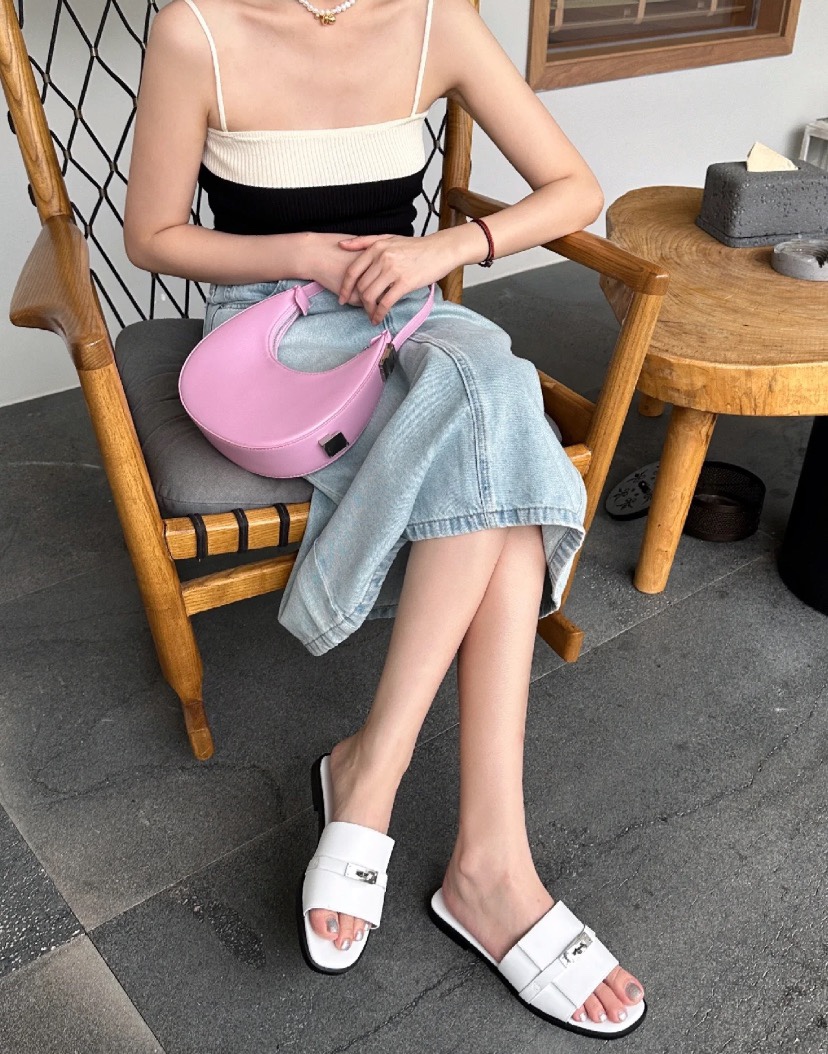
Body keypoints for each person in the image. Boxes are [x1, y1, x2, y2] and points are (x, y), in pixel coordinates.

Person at [124, 0, 646, 1038]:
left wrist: (445, 246)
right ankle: (484, 859)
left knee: (488, 397)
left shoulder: (435, 20)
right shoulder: (198, 30)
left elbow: (575, 188)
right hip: (272, 333)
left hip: (409, 309)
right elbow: (153, 235)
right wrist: (310, 256)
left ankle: (381, 779)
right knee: (499, 427)